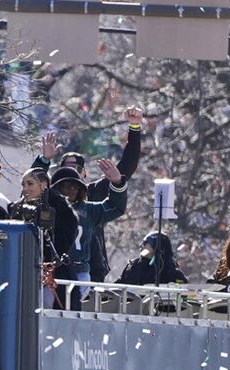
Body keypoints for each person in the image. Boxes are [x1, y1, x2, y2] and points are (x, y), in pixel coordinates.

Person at [31, 106, 144, 282]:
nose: (70, 174)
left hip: (91, 269)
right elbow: (32, 185)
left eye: (75, 168)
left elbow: (127, 167)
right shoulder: (51, 197)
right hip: (53, 268)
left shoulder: (94, 192)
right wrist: (44, 160)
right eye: (65, 168)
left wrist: (135, 128)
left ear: (84, 174)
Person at [50, 162, 128, 308]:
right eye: (67, 185)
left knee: (70, 308)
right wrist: (43, 160)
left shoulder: (88, 210)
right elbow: (32, 187)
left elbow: (115, 207)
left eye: (76, 186)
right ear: (55, 188)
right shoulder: (47, 209)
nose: (72, 190)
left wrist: (117, 183)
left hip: (80, 273)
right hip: (51, 272)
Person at [8, 167, 78, 308]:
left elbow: (63, 242)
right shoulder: (18, 207)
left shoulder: (61, 209)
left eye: (30, 184)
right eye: (23, 185)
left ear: (44, 184)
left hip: (53, 273)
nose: (25, 188)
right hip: (24, 270)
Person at [116, 231, 188, 286]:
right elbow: (117, 288)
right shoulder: (133, 267)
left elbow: (187, 297)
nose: (141, 245)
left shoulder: (175, 274)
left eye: (146, 243)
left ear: (158, 247)